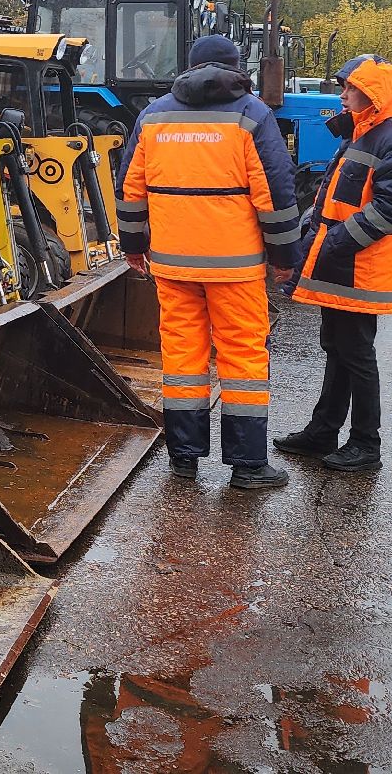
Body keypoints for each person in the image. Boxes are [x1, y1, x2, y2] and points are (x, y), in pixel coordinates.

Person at [119, 34, 303, 490]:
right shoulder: (252, 115)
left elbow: (131, 191)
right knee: (242, 357)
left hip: (173, 264)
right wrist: (284, 258)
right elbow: (277, 195)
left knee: (182, 357)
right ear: (236, 67)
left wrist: (134, 246)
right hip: (234, 266)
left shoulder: (154, 115)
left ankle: (183, 457)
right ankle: (246, 465)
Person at [274, 55, 392, 474]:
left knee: (355, 352)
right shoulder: (365, 132)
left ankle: (365, 443)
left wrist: (333, 243)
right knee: (338, 348)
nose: (341, 96)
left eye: (349, 89)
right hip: (345, 265)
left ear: (370, 94)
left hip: (360, 267)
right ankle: (323, 431)